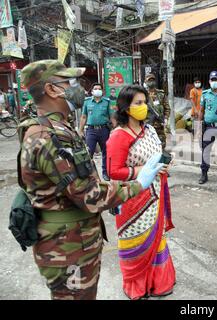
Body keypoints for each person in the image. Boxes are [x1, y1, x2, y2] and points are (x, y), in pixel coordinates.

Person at [18, 60, 163, 300]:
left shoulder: (59, 128)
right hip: (66, 248)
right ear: (52, 89)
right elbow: (89, 194)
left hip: (74, 241)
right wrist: (137, 184)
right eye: (70, 82)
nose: (80, 89)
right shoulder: (48, 137)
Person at [106, 85, 176, 300]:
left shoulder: (150, 130)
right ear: (126, 108)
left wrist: (163, 166)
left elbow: (156, 158)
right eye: (138, 103)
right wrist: (143, 171)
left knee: (156, 238)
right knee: (136, 240)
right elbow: (113, 171)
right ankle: (136, 284)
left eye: (144, 102)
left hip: (155, 195)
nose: (143, 106)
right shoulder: (119, 136)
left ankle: (158, 282)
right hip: (132, 198)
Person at [79, 83, 116, 181]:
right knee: (89, 152)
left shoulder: (107, 102)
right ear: (92, 91)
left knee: (106, 152)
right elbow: (83, 117)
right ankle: (89, 175)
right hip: (91, 130)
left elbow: (111, 117)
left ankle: (105, 173)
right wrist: (80, 130)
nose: (97, 90)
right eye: (95, 88)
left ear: (102, 91)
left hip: (104, 130)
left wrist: (116, 129)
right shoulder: (87, 102)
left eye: (99, 89)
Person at [145, 73, 170, 150]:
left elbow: (167, 108)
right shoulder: (143, 95)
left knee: (161, 145)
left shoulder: (161, 94)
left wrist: (165, 118)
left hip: (159, 125)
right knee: (148, 146)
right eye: (149, 80)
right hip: (147, 126)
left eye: (153, 80)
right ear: (145, 82)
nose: (151, 82)